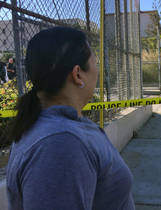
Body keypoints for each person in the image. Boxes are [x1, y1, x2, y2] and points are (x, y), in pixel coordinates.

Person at [6, 27, 135, 210]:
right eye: (95, 63)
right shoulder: (60, 143)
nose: (98, 71)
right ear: (77, 74)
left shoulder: (56, 129)